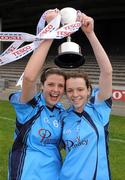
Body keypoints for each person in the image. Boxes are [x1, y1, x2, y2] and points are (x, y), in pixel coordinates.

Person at [8, 10, 66, 180]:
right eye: (51, 84)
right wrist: (51, 31)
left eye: (60, 86)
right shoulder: (30, 106)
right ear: (42, 86)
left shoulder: (62, 112)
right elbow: (28, 77)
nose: (55, 89)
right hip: (26, 173)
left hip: (55, 174)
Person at [60, 13, 112, 180]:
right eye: (70, 90)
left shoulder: (99, 109)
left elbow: (107, 71)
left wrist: (90, 34)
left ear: (89, 90)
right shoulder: (64, 117)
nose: (75, 95)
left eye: (80, 89)